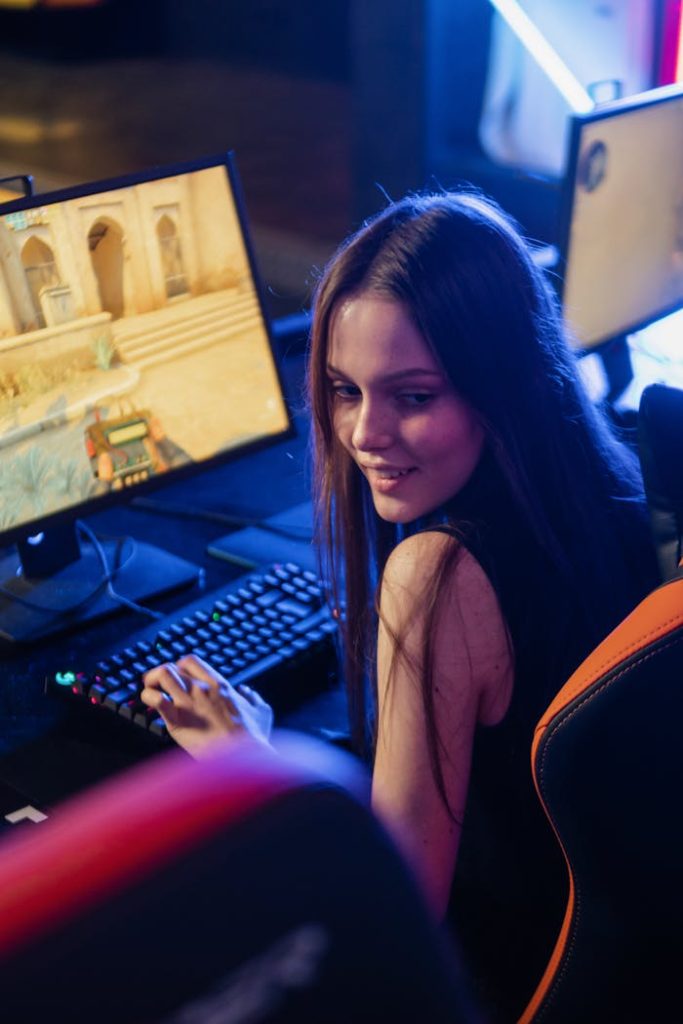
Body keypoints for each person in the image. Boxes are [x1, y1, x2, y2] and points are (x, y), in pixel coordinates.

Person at [141, 191, 658, 1021]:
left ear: (502, 385)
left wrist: (250, 764)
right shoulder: (607, 485)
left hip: (485, 979)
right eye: (344, 389)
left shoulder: (436, 577)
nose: (363, 433)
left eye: (413, 397)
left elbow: (389, 904)